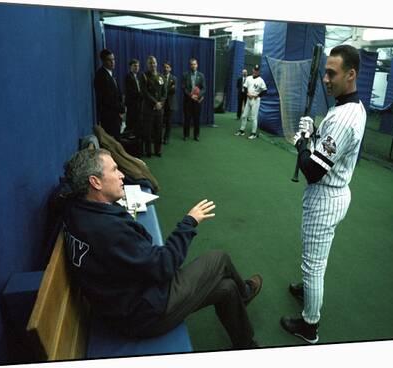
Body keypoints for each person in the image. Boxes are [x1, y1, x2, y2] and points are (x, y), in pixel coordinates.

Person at [62, 148, 263, 349]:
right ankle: (244, 293)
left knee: (226, 288)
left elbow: (63, 195)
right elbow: (164, 264)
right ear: (95, 182)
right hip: (142, 316)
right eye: (114, 170)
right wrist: (189, 222)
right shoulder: (108, 230)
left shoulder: (75, 208)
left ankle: (246, 344)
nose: (122, 174)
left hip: (123, 303)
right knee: (219, 258)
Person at [280, 45, 367, 344]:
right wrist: (315, 131)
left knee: (313, 264)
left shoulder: (345, 116)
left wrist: (303, 142)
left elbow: (313, 169)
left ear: (351, 74)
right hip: (334, 191)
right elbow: (329, 148)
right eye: (325, 72)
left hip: (325, 196)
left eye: (332, 73)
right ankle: (307, 287)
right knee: (315, 259)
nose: (326, 79)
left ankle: (309, 326)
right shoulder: (347, 107)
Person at [94, 49, 125, 140]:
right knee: (113, 142)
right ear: (103, 61)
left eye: (113, 59)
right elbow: (108, 99)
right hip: (109, 117)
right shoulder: (101, 76)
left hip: (115, 115)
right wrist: (121, 109)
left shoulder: (109, 74)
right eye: (109, 60)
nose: (112, 62)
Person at [139, 56, 167, 157]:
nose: (153, 65)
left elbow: (165, 92)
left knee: (158, 131)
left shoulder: (161, 76)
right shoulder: (144, 76)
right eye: (150, 63)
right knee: (147, 131)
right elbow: (144, 92)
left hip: (159, 109)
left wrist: (161, 103)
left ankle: (158, 150)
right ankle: (148, 151)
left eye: (154, 63)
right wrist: (155, 102)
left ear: (157, 63)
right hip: (148, 109)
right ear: (147, 65)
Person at [234, 65, 267, 140]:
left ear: (259, 71)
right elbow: (245, 87)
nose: (255, 71)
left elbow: (265, 90)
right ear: (253, 70)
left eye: (257, 70)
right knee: (244, 115)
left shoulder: (261, 80)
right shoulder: (248, 78)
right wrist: (247, 94)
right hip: (249, 99)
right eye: (255, 70)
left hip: (255, 100)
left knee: (254, 117)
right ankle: (242, 130)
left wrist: (257, 95)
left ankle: (253, 133)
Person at [182, 58, 206, 141]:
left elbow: (204, 88)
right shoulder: (185, 75)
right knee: (187, 119)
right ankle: (186, 135)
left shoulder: (201, 75)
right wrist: (191, 95)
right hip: (188, 101)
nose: (193, 66)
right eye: (192, 64)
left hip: (197, 101)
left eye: (195, 64)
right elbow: (184, 88)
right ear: (190, 65)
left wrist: (198, 95)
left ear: (197, 65)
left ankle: (196, 135)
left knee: (196, 119)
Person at [124, 58, 143, 153]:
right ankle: (130, 149)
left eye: (138, 66)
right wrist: (142, 94)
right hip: (132, 106)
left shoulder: (139, 77)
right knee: (131, 126)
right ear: (130, 67)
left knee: (137, 127)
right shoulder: (128, 77)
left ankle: (137, 148)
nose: (137, 67)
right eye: (135, 66)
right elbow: (131, 92)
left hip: (139, 106)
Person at [162, 61, 177, 145]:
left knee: (168, 122)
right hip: (162, 103)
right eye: (165, 67)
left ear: (170, 69)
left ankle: (166, 138)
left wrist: (165, 91)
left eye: (167, 67)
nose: (166, 69)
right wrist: (169, 89)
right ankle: (158, 137)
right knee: (160, 122)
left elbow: (173, 90)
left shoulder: (174, 78)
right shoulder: (160, 77)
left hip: (170, 103)